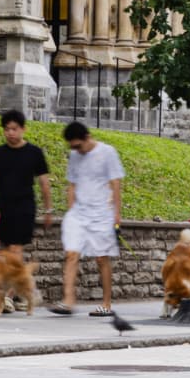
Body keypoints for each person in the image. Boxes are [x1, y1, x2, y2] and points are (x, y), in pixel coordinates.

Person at [48, 122, 124, 317]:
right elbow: (71, 184)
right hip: (79, 212)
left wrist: (117, 214)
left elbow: (116, 183)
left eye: (78, 146)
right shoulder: (74, 155)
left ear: (88, 137)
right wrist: (71, 211)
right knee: (71, 254)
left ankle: (106, 303)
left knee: (101, 258)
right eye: (73, 147)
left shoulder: (107, 152)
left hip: (102, 213)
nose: (76, 150)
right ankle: (68, 301)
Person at [0, 111, 53, 266]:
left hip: (25, 208)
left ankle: (12, 288)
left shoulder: (35, 153)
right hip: (4, 208)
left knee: (15, 248)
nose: (10, 133)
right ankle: (18, 283)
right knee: (7, 250)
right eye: (7, 129)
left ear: (23, 129)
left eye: (14, 129)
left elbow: (44, 184)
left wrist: (48, 210)